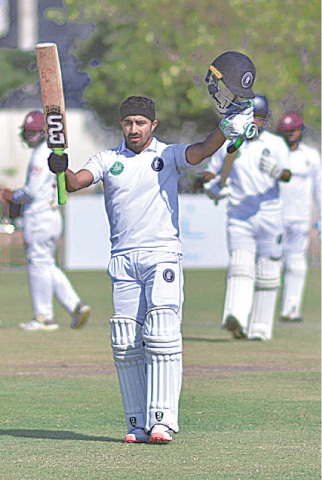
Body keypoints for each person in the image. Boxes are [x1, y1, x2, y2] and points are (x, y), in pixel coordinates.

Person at [46, 50, 257, 443]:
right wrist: (61, 166)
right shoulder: (108, 159)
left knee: (161, 333)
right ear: (121, 125)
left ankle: (163, 421)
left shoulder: (168, 155)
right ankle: (136, 423)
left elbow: (201, 151)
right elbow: (76, 182)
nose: (134, 128)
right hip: (122, 258)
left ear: (153, 124)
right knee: (126, 341)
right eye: (128, 122)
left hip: (161, 254)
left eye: (140, 122)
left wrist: (224, 129)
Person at [200, 95, 292, 341]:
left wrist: (274, 170)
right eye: (252, 118)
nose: (256, 123)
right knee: (240, 266)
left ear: (266, 121)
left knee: (269, 272)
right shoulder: (231, 143)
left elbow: (286, 175)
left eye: (260, 119)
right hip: (239, 215)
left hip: (270, 215)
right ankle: (236, 317)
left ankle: (260, 328)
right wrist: (211, 187)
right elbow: (211, 172)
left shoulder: (276, 144)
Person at [0, 110, 91, 331]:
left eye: (33, 133)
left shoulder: (41, 154)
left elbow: (31, 191)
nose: (30, 138)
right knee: (47, 264)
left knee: (38, 265)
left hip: (39, 217)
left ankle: (44, 317)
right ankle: (75, 306)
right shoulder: (48, 152)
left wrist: (12, 195)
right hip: (50, 216)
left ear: (43, 133)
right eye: (28, 133)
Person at [277, 112, 321, 322]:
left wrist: (320, 217)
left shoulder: (311, 156)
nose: (290, 135)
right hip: (274, 217)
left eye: (293, 131)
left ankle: (291, 309)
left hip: (299, 218)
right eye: (286, 131)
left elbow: (319, 189)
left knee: (296, 263)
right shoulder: (274, 151)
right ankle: (264, 309)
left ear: (300, 131)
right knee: (272, 263)